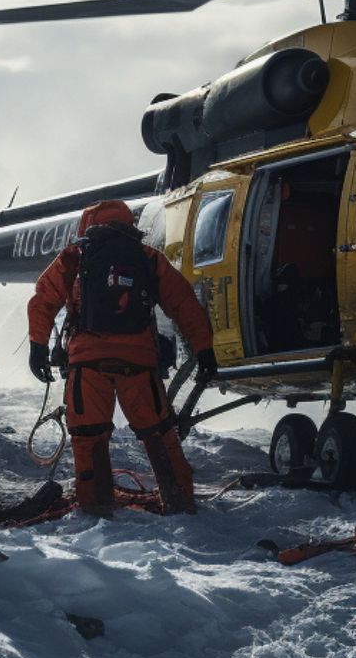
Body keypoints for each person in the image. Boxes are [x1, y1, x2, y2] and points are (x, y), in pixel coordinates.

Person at [26, 200, 217, 515]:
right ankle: (179, 500)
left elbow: (43, 300)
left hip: (87, 363)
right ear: (130, 225)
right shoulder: (148, 258)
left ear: (89, 226)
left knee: (89, 437)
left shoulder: (75, 258)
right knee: (159, 434)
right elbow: (184, 304)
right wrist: (204, 349)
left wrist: (38, 345)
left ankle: (96, 506)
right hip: (138, 363)